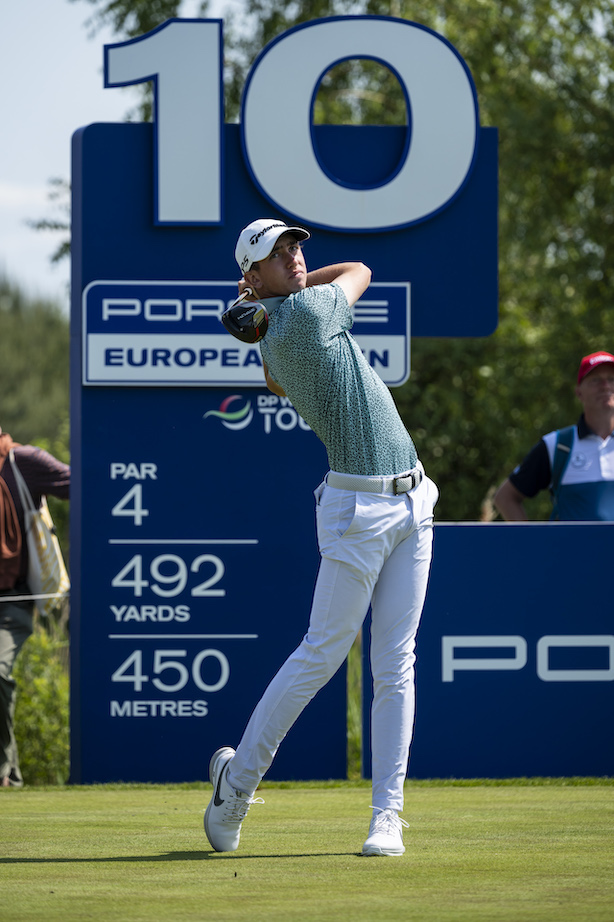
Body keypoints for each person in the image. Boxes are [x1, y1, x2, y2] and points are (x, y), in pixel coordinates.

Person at [204, 219, 439, 857]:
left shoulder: (281, 329)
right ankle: (237, 787)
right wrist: (272, 300)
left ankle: (387, 816)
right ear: (251, 274)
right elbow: (360, 269)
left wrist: (262, 300)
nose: (297, 256)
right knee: (321, 655)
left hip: (413, 499)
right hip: (358, 511)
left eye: (296, 246)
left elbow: (274, 381)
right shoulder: (304, 318)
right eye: (279, 253)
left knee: (396, 665)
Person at [0, 428, 70, 787]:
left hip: (14, 601)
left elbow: (83, 487)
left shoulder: (23, 462)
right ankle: (8, 772)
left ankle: (5, 771)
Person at [493, 351, 614, 521]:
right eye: (595, 380)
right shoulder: (557, 445)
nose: (606, 386)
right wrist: (533, 544)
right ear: (579, 392)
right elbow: (505, 498)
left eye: (611, 379)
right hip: (572, 549)